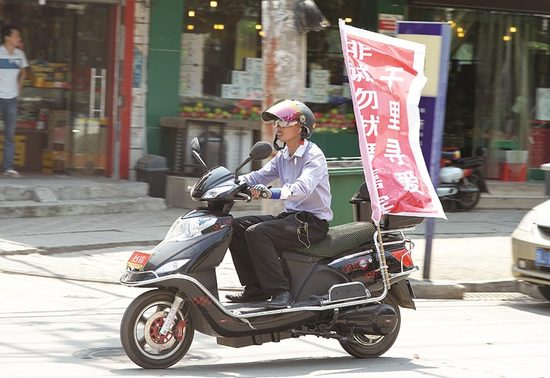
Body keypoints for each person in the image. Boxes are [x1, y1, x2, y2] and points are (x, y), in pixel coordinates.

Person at [226, 99, 333, 309]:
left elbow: (301, 189)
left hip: (312, 224)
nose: (278, 127)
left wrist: (271, 193)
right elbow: (259, 176)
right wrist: (227, 183)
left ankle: (280, 292)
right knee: (235, 227)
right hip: (291, 219)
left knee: (258, 233)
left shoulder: (314, 156)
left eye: (283, 123)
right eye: (277, 123)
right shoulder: (284, 156)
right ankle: (255, 288)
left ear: (301, 128)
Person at [0, 25, 28, 178]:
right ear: (7, 37)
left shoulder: (20, 54)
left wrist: (19, 88)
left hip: (11, 99)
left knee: (10, 135)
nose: (19, 38)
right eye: (16, 35)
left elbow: (24, 72)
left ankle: (8, 167)